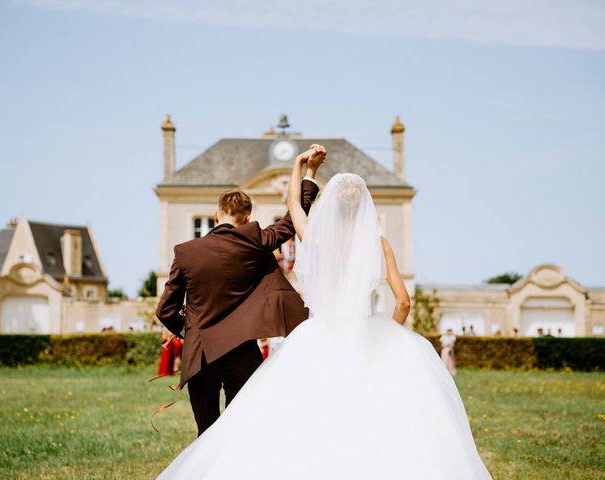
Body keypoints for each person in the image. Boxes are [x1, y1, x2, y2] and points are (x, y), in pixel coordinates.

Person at [157, 155, 491, 479]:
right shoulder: (379, 243)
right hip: (365, 327)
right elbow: (402, 302)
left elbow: (293, 209)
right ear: (364, 207)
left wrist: (302, 167)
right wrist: (385, 334)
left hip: (317, 336)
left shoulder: (314, 239)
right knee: (376, 415)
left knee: (303, 415)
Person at [155, 145, 323, 436]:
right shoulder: (254, 239)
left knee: (206, 434)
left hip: (201, 355)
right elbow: (291, 221)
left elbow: (165, 310)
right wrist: (310, 174)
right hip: (243, 354)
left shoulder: (185, 252)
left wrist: (190, 330)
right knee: (240, 434)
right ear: (247, 218)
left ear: (216, 215)